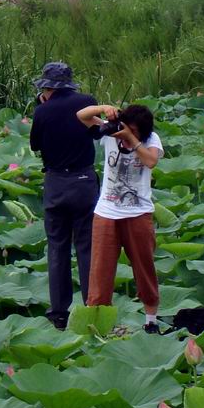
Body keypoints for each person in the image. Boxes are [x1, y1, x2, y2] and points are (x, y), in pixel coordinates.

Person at [76, 103, 163, 333]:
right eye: (127, 128)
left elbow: (151, 161)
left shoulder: (151, 140)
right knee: (100, 271)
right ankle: (98, 326)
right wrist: (105, 108)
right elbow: (81, 115)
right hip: (106, 213)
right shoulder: (109, 132)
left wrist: (132, 140)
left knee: (144, 267)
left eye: (135, 131)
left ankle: (151, 321)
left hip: (138, 213)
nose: (127, 134)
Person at [29, 62, 102, 330]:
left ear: (46, 87)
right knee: (86, 246)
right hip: (83, 182)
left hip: (56, 183)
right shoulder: (86, 102)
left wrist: (43, 106)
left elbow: (35, 145)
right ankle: (91, 307)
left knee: (57, 247)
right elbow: (96, 132)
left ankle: (59, 313)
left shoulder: (42, 111)